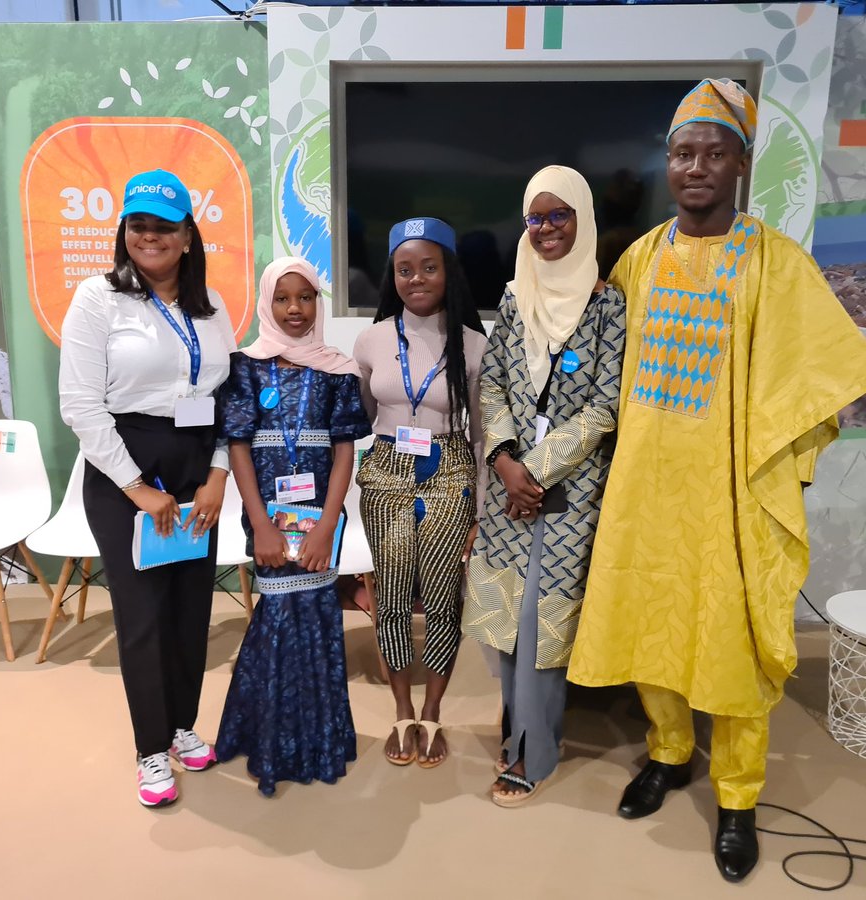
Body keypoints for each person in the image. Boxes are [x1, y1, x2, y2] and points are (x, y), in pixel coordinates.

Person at [567, 79, 866, 881]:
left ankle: (738, 796)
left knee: (735, 636)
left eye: (715, 153)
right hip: (646, 484)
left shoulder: (774, 263)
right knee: (650, 614)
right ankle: (670, 753)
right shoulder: (640, 257)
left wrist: (785, 472)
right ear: (667, 162)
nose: (696, 167)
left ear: (742, 164)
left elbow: (813, 376)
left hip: (730, 489)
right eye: (683, 152)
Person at [59, 169, 238, 808]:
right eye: (138, 225)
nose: (150, 236)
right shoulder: (97, 298)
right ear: (124, 232)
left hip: (196, 472)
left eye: (165, 226)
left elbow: (228, 401)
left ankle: (184, 725)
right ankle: (150, 751)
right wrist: (138, 487)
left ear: (188, 236)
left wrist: (217, 475)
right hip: (122, 474)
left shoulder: (211, 312)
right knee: (142, 617)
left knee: (191, 609)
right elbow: (80, 407)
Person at [462, 166, 626, 807]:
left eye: (560, 216)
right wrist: (505, 462)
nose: (547, 228)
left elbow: (604, 404)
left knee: (540, 623)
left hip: (571, 492)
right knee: (503, 618)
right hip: (508, 488)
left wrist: (535, 468)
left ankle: (535, 751)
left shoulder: (609, 304)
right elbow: (495, 386)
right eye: (536, 217)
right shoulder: (513, 297)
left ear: (582, 219)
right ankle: (513, 734)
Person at [214, 256, 370, 796]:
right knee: (277, 614)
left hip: (322, 518)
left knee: (319, 614)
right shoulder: (246, 366)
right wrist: (260, 525)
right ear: (266, 303)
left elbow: (345, 450)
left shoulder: (339, 368)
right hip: (268, 520)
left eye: (305, 297)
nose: (295, 309)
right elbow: (237, 447)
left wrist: (329, 524)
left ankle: (322, 741)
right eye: (283, 298)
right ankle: (271, 739)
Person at [354, 217, 487, 768]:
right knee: (390, 599)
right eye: (404, 269)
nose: (416, 279)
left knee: (440, 601)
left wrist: (478, 511)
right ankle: (402, 712)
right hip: (385, 471)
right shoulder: (371, 339)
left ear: (447, 271)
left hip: (450, 470)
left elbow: (482, 436)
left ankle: (433, 714)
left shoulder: (476, 346)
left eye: (428, 267)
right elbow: (365, 413)